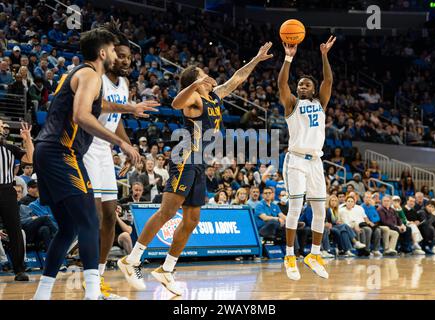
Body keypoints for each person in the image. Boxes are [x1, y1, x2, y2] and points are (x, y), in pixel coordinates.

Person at [118, 42, 273, 295]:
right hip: (185, 159)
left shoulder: (213, 96)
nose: (209, 77)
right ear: (197, 81)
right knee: (167, 212)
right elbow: (176, 103)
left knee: (192, 220)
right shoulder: (193, 100)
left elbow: (237, 79)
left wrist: (256, 59)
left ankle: (167, 269)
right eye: (203, 74)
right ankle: (132, 258)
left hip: (200, 164)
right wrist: (192, 84)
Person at [32, 28, 152, 301]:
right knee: (88, 221)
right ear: (102, 53)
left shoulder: (80, 75)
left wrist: (130, 108)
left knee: (68, 227)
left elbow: (101, 105)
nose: (115, 54)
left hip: (47, 151)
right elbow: (82, 114)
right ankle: (93, 294)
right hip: (62, 152)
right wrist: (120, 142)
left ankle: (41, 295)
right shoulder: (90, 75)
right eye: (112, 50)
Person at [80, 24, 157, 299]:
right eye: (121, 55)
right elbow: (95, 107)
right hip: (87, 146)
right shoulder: (95, 77)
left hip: (105, 151)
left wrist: (126, 146)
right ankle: (88, 277)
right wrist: (127, 115)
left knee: (111, 217)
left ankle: (98, 277)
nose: (125, 61)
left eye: (129, 58)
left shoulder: (123, 84)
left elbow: (117, 119)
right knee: (95, 215)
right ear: (110, 54)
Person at [278, 35, 336, 281]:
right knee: (295, 206)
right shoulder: (292, 104)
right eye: (299, 84)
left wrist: (324, 55)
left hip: (315, 161)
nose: (302, 87)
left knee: (320, 210)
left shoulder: (320, 103)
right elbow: (282, 84)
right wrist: (288, 58)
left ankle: (313, 254)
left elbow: (329, 80)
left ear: (312, 89)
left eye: (305, 85)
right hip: (295, 160)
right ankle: (290, 255)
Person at [0, 120, 34, 281]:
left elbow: (31, 158)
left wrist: (27, 139)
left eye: (3, 126)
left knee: (15, 229)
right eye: (0, 125)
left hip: (6, 190)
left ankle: (19, 269)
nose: (3, 128)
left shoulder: (9, 148)